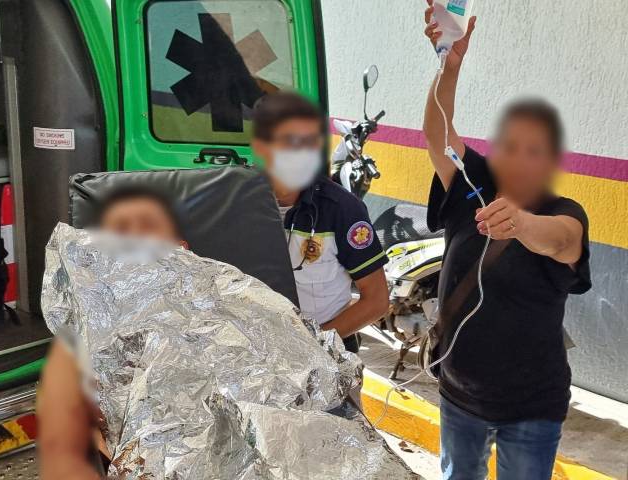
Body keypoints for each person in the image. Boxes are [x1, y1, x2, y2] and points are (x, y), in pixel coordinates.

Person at [421, 1, 592, 479]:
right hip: (458, 395)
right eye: (511, 145)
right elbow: (437, 135)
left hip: (531, 407)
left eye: (534, 150)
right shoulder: (472, 182)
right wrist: (450, 67)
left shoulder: (564, 212)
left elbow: (561, 240)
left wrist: (521, 224)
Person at [38, 189, 187, 480]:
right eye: (120, 231)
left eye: (147, 226)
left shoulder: (226, 302)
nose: (134, 237)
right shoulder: (86, 338)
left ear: (181, 247)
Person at [251, 92, 390, 353]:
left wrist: (310, 345)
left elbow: (377, 301)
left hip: (325, 354)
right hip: (256, 355)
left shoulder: (342, 209)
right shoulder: (238, 202)